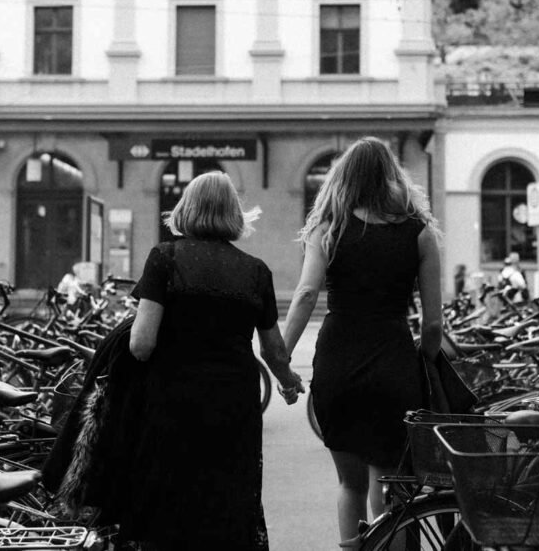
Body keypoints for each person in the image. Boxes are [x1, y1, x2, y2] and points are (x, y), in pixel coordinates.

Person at [122, 171, 303, 551]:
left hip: (172, 402)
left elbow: (141, 343)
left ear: (186, 208)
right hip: (234, 405)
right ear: (233, 214)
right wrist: (287, 382)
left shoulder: (164, 258)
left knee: (172, 503)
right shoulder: (256, 271)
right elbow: (273, 349)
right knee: (228, 500)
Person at [281, 137, 443, 548]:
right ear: (393, 177)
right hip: (393, 359)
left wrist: (280, 358)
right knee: (393, 485)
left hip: (339, 361)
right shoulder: (420, 234)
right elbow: (434, 326)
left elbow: (303, 295)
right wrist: (421, 362)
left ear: (343, 177)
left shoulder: (328, 229)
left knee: (349, 483)